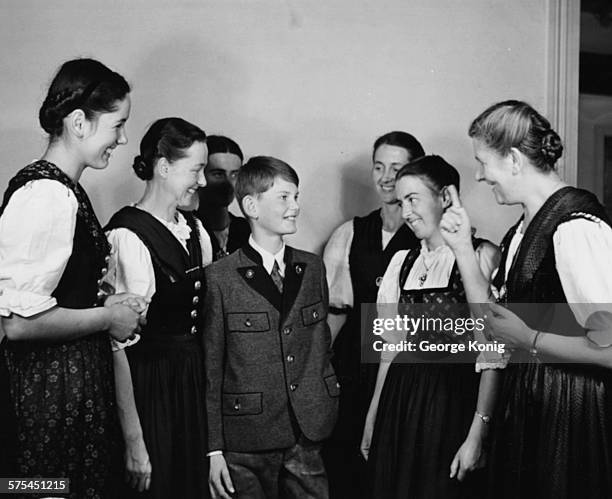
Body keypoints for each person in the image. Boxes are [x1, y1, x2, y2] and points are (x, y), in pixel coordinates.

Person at [440, 100, 612, 498]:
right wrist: (463, 250)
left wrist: (530, 338)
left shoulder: (576, 229)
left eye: (483, 162)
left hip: (573, 418)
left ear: (514, 160)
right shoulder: (521, 231)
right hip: (533, 408)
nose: (480, 176)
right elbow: (496, 328)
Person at [0, 58, 143, 498]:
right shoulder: (46, 194)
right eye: (117, 125)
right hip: (45, 401)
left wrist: (106, 304)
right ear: (78, 122)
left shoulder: (66, 189)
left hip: (68, 394)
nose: (122, 139)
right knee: (42, 491)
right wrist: (107, 318)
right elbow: (17, 322)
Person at [361, 155, 501, 498]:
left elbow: (494, 349)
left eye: (413, 200)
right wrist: (372, 417)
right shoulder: (401, 262)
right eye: (400, 201)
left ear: (446, 198)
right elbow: (389, 348)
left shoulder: (482, 256)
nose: (405, 212)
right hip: (401, 400)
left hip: (453, 401)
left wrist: (477, 434)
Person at [204, 156, 339, 499]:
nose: (295, 206)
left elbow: (321, 345)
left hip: (307, 431)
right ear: (251, 205)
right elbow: (211, 368)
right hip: (246, 436)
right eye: (284, 197)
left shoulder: (311, 268)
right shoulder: (220, 278)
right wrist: (214, 449)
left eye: (296, 196)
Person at [104, 117, 213, 498]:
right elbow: (118, 346)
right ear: (163, 167)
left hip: (194, 384)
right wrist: (134, 440)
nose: (202, 182)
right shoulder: (126, 235)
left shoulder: (197, 232)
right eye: (196, 170)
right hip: (150, 388)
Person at [322, 131, 424, 497]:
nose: (385, 177)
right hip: (353, 363)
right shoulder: (351, 232)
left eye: (396, 169)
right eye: (379, 166)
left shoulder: (430, 237)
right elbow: (336, 312)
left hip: (404, 367)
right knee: (348, 460)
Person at [195, 135, 249, 260]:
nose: (229, 184)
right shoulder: (186, 230)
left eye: (235, 174)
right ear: (200, 176)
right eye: (218, 174)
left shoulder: (248, 230)